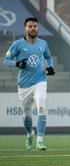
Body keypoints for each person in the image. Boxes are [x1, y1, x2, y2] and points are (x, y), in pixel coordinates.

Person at [3, 17, 56, 151]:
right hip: (24, 85)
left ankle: (40, 140)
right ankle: (29, 134)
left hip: (40, 81)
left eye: (35, 26)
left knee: (41, 106)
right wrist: (17, 63)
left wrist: (50, 67)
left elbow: (48, 57)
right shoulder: (18, 44)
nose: (33, 28)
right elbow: (6, 60)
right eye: (30, 26)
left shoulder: (43, 44)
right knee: (27, 115)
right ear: (25, 29)